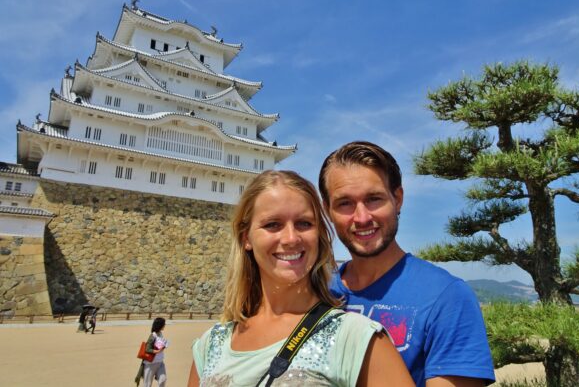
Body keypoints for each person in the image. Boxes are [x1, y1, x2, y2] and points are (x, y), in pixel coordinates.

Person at [188, 170, 414, 387]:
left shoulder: (355, 339)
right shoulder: (211, 345)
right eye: (272, 225)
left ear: (319, 235)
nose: (290, 238)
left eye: (304, 223)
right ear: (246, 237)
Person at [318, 141, 496, 387]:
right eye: (345, 203)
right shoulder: (317, 292)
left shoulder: (447, 297)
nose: (361, 217)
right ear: (328, 210)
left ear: (397, 199)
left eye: (374, 199)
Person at [141, 317, 168, 387]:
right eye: (164, 324)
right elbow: (147, 349)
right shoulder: (152, 336)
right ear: (160, 325)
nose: (165, 325)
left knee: (163, 380)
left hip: (160, 362)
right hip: (150, 364)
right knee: (147, 384)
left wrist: (164, 346)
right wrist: (157, 351)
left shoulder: (161, 334)